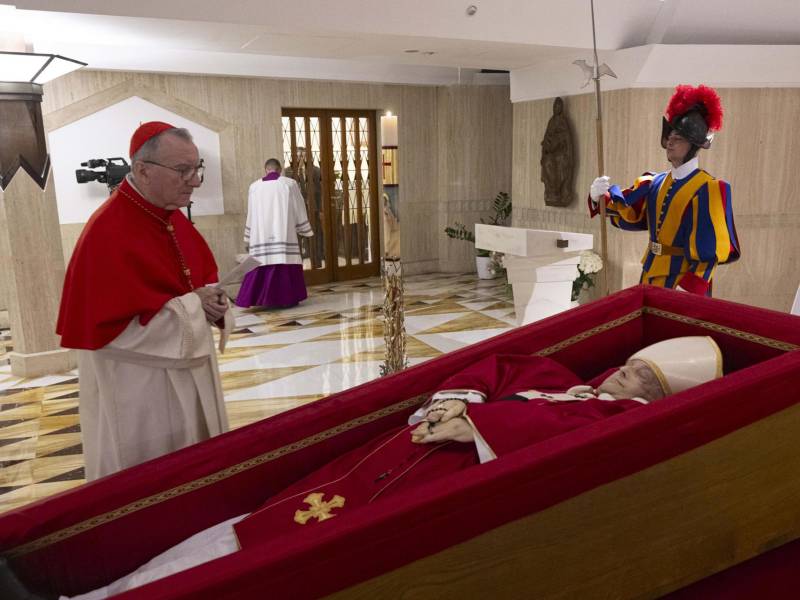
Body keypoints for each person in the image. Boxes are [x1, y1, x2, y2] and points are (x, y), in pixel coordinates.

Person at [49, 336, 721, 599]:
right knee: (251, 522)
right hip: (383, 460)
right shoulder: (570, 381)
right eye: (629, 365)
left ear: (656, 401)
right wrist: (461, 399)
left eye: (640, 379)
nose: (620, 376)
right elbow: (502, 366)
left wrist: (482, 425)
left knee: (269, 555)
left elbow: (569, 441)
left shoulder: (614, 423)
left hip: (423, 490)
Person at [56, 121, 231, 481]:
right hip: (140, 385)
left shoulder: (170, 217)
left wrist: (214, 303)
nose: (195, 181)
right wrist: (194, 306)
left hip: (188, 369)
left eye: (197, 169)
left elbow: (198, 282)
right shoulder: (106, 231)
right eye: (183, 170)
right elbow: (111, 333)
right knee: (152, 477)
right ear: (142, 170)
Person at [589, 85, 741, 295]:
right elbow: (630, 215)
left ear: (693, 145)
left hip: (682, 285)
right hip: (649, 275)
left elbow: (710, 252)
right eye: (669, 138)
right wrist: (599, 198)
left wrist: (688, 289)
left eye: (677, 139)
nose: (670, 143)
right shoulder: (654, 182)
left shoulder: (709, 189)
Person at [235, 158, 314, 308]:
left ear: (266, 169)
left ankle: (259, 299)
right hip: (283, 231)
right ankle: (286, 298)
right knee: (283, 259)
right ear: (280, 169)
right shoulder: (289, 184)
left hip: (261, 234)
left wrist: (249, 234)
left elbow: (251, 212)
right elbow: (298, 206)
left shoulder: (254, 186)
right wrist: (303, 227)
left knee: (261, 261)